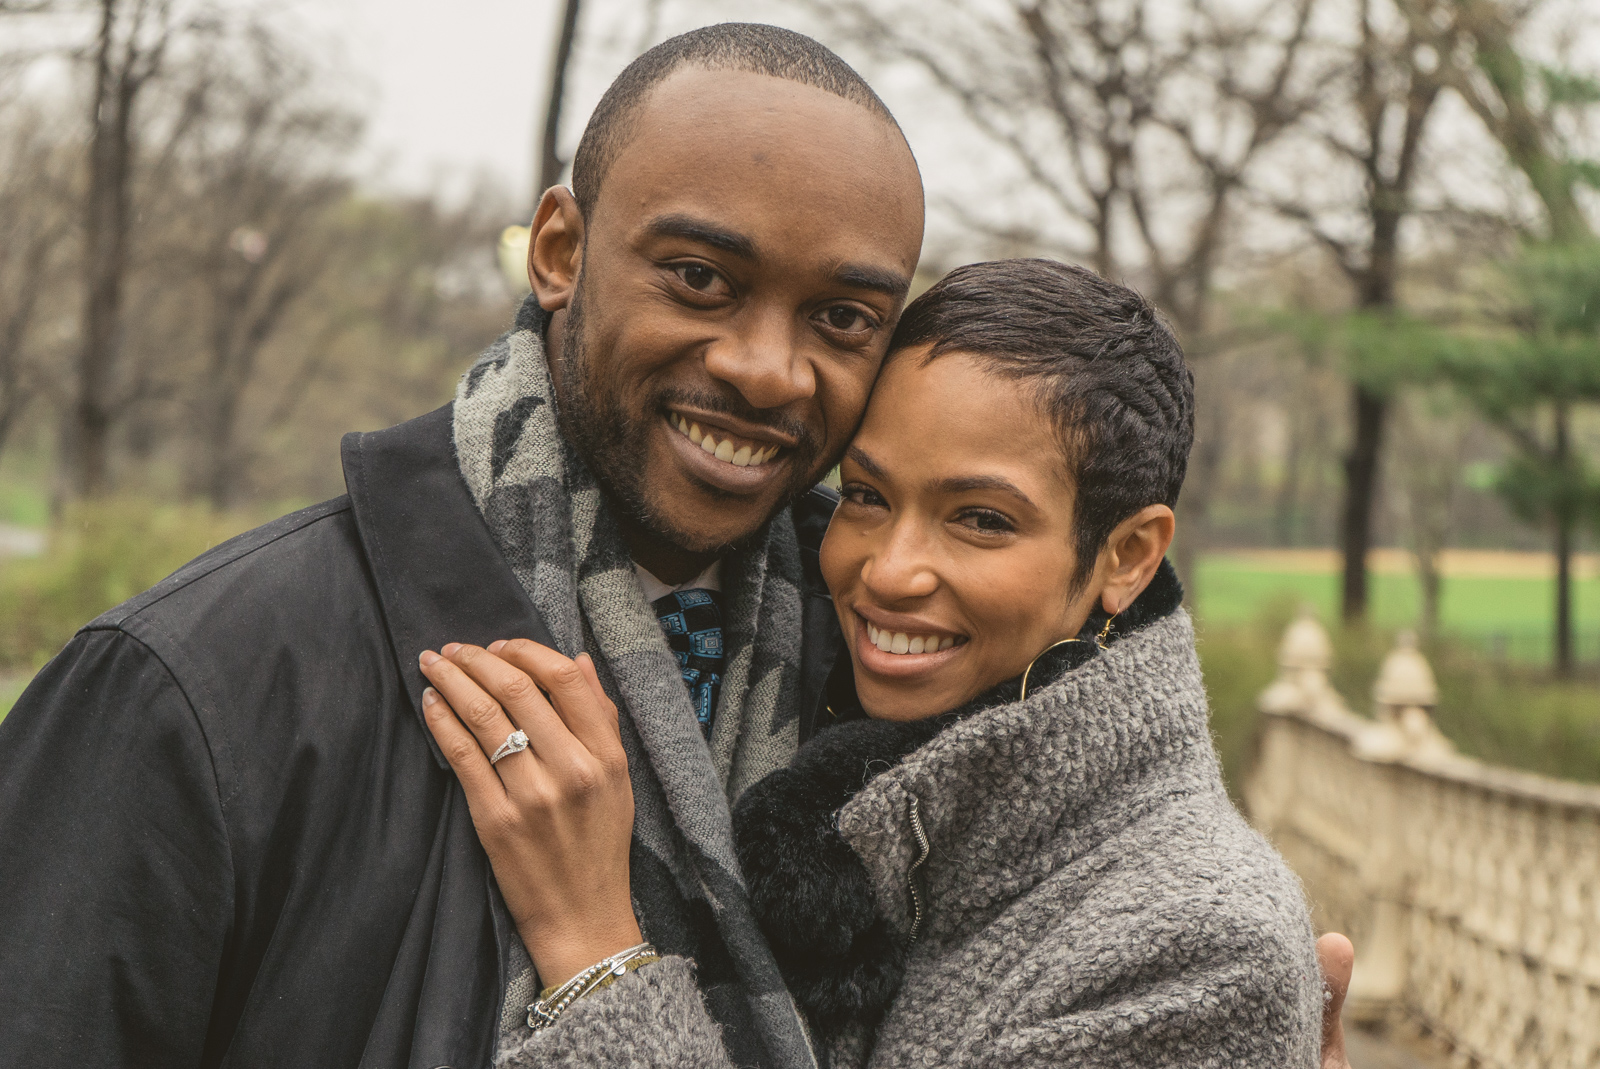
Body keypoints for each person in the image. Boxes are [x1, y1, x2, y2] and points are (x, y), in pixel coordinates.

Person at [0, 23, 1356, 1069]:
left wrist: (599, 959)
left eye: (842, 317)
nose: (768, 369)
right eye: (699, 279)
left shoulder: (902, 694)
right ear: (557, 248)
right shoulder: (200, 683)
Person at [420, 260, 1325, 1067]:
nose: (888, 571)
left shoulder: (1198, 942)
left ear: (1126, 557)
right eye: (865, 495)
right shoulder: (836, 776)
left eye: (982, 519)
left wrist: (594, 949)